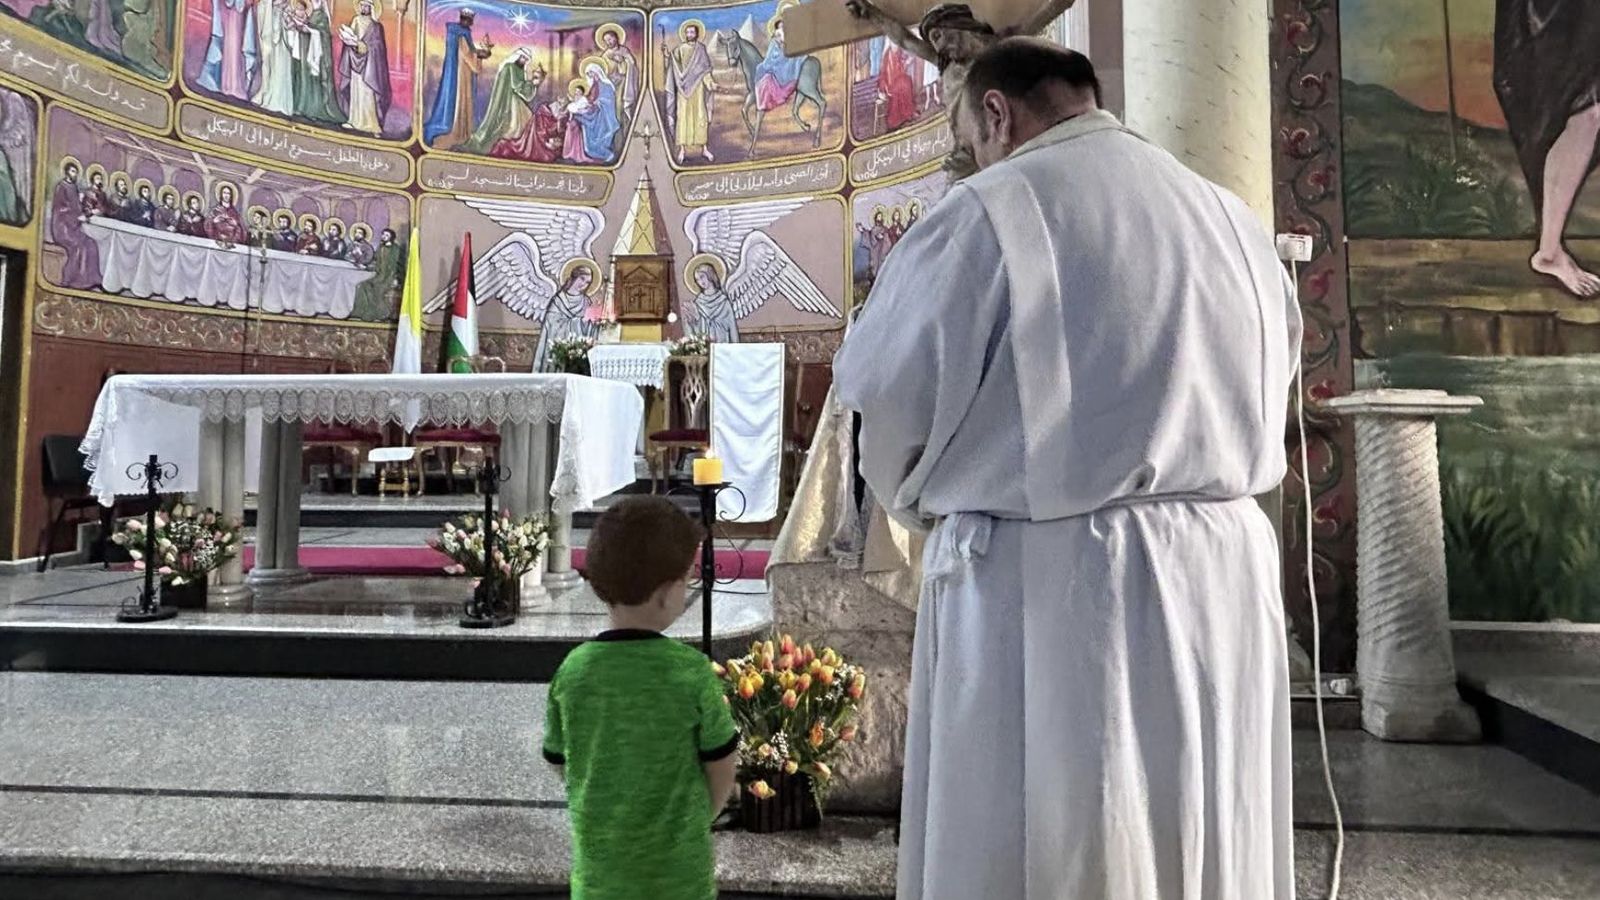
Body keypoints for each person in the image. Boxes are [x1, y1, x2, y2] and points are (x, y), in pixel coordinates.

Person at [834, 40, 1298, 899]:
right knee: (1202, 824)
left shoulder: (992, 209)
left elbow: (893, 401)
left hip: (1055, 589)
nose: (975, 154)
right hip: (1225, 571)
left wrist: (919, 500)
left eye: (972, 134)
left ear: (998, 113)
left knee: (1064, 837)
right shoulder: (1228, 215)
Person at [542, 496, 738, 900]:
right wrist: (700, 816)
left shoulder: (574, 670)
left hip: (601, 877)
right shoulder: (690, 671)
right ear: (666, 594)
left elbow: (561, 759)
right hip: (679, 878)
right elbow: (721, 763)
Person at [1494, 1, 1600, 296]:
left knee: (1588, 114)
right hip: (1548, 18)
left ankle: (1550, 250)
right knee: (1582, 113)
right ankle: (1549, 251)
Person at [423, 9, 488, 147]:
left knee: (460, 101)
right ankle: (457, 132)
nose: (469, 22)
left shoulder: (455, 32)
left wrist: (476, 54)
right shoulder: (460, 34)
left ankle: (461, 131)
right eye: (469, 20)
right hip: (460, 75)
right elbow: (467, 55)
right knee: (458, 101)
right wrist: (480, 56)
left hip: (459, 72)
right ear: (465, 19)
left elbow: (468, 52)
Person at [461, 48, 536, 155]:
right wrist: (531, 83)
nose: (524, 61)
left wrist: (531, 84)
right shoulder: (510, 67)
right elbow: (517, 86)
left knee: (526, 120)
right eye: (523, 58)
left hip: (515, 99)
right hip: (508, 101)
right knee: (514, 124)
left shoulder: (520, 69)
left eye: (526, 59)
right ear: (518, 56)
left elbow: (521, 87)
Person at [663, 20, 717, 164]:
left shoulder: (701, 49)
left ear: (697, 34)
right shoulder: (680, 49)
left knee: (701, 117)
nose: (689, 34)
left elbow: (705, 70)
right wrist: (667, 56)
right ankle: (682, 150)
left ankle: (704, 148)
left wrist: (711, 83)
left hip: (698, 88)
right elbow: (674, 65)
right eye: (687, 32)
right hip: (683, 89)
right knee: (683, 118)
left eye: (692, 32)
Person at [338, 0, 393, 136]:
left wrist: (367, 47)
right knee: (355, 91)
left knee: (368, 94)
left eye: (367, 6)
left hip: (370, 66)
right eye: (362, 5)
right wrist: (352, 43)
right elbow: (350, 38)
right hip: (354, 61)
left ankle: (372, 125)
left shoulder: (376, 27)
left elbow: (378, 47)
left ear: (371, 8)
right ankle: (354, 120)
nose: (364, 8)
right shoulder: (355, 20)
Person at [533, 261, 600, 371]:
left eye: (587, 282)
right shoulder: (559, 300)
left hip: (578, 355)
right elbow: (551, 323)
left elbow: (589, 327)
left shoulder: (585, 302)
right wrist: (576, 322)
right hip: (560, 351)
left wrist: (594, 323)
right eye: (582, 279)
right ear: (574, 277)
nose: (584, 284)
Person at [49, 160, 101, 289]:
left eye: (76, 172)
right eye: (73, 171)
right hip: (63, 227)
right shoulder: (61, 186)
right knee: (78, 246)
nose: (75, 174)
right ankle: (70, 280)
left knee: (91, 243)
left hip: (74, 227)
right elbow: (60, 209)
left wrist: (88, 212)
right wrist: (77, 218)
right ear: (66, 172)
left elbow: (78, 207)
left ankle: (92, 279)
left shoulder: (74, 187)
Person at [293, 0, 347, 126]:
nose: (314, 3)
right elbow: (308, 29)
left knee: (315, 80)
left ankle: (316, 109)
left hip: (318, 57)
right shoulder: (310, 15)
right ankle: (304, 106)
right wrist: (301, 27)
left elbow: (323, 35)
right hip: (307, 52)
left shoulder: (322, 16)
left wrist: (310, 30)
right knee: (306, 79)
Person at [197, 0, 261, 102]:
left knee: (235, 50)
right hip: (228, 13)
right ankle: (226, 85)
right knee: (228, 46)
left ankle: (235, 86)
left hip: (238, 15)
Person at [254, 0, 298, 116]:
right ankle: (267, 92)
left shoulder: (288, 7)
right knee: (269, 64)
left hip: (283, 39)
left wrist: (290, 20)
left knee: (282, 67)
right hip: (271, 33)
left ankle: (280, 101)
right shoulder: (269, 5)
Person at [351, 226, 401, 319]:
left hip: (389, 277)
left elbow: (399, 265)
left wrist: (397, 278)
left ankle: (380, 313)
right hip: (379, 275)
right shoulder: (380, 247)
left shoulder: (395, 249)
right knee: (362, 285)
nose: (384, 236)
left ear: (391, 237)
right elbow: (376, 261)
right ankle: (361, 311)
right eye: (383, 234)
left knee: (377, 289)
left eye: (387, 235)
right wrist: (366, 266)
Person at [596, 23, 639, 124]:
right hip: (610, 84)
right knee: (609, 106)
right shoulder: (606, 54)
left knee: (619, 105)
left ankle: (621, 125)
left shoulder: (624, 50)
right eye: (606, 40)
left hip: (622, 83)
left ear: (616, 38)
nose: (608, 42)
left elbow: (632, 63)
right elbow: (603, 69)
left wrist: (621, 61)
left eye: (610, 39)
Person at [876, 43, 918, 131]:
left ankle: (907, 113)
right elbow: (883, 75)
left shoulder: (898, 53)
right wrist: (882, 89)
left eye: (897, 46)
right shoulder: (887, 56)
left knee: (906, 81)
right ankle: (899, 118)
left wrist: (907, 62)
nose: (896, 47)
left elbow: (902, 65)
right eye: (894, 46)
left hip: (898, 81)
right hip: (890, 84)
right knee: (903, 82)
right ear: (891, 45)